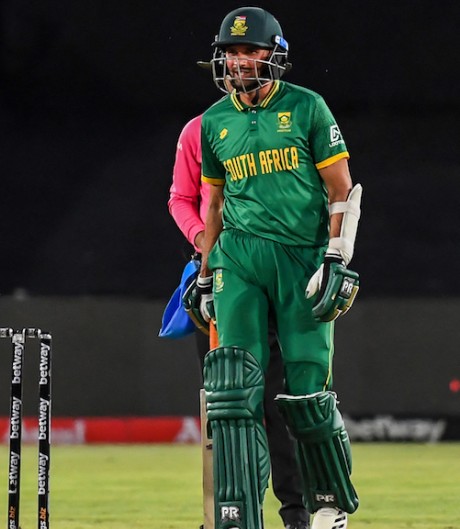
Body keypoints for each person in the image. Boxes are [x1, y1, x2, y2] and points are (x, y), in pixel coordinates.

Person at [189, 7, 362, 529]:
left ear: (274, 55)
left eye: (250, 50)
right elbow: (213, 206)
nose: (239, 61)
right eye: (232, 52)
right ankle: (237, 511)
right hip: (238, 258)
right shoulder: (214, 121)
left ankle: (326, 502)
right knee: (233, 389)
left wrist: (337, 255)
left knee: (308, 386)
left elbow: (341, 191)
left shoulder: (308, 108)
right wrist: (203, 272)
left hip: (301, 257)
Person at [169, 114, 308, 529]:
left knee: (279, 400)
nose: (239, 66)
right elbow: (181, 198)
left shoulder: (281, 125)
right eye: (232, 56)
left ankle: (295, 514)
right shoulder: (199, 128)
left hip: (270, 274)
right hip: (215, 279)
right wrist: (206, 244)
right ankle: (228, 514)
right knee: (226, 403)